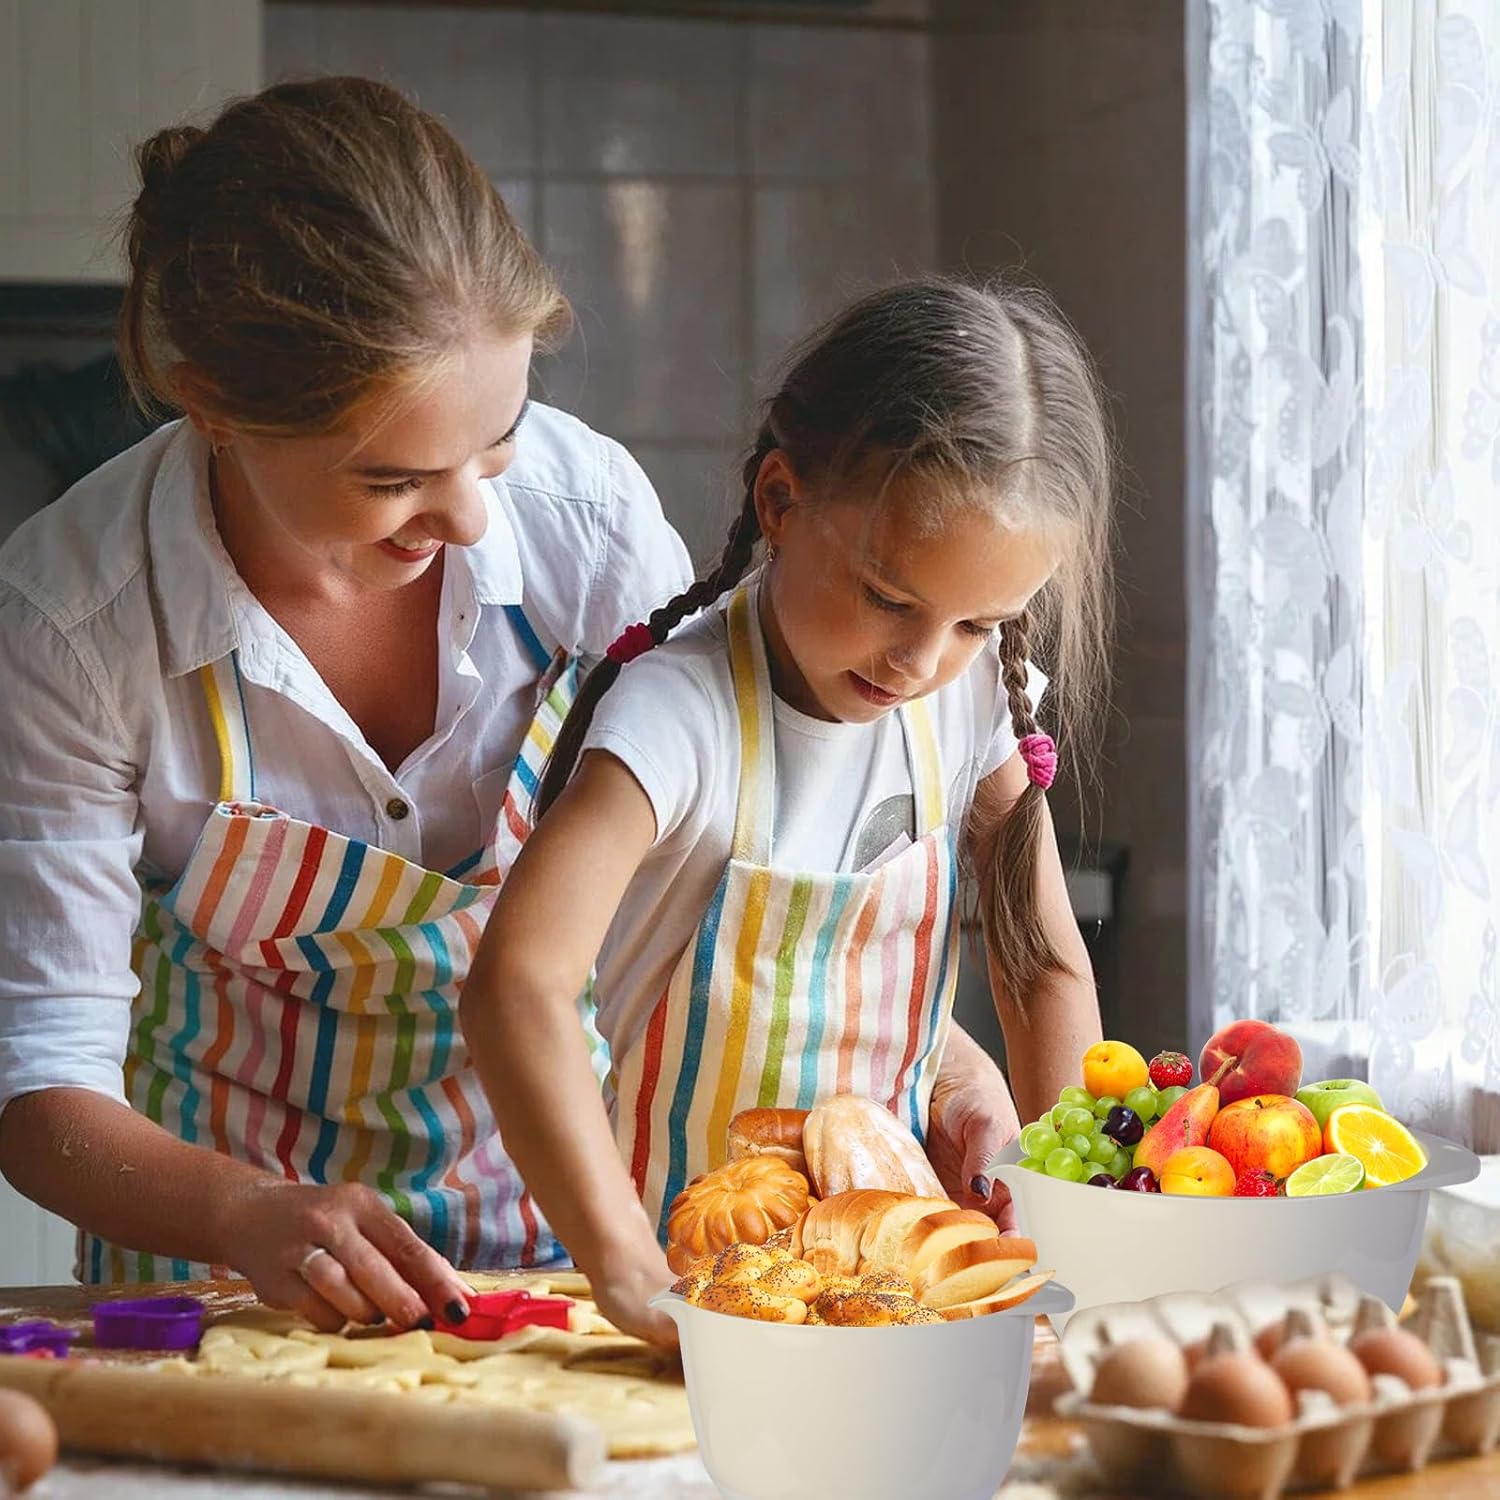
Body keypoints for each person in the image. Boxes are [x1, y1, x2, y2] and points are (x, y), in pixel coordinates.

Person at [0, 80, 1023, 1334]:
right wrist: (239, 1212)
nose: (473, 520)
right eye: (394, 479)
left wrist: (937, 1060)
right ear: (211, 401)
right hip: (231, 1279)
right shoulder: (72, 625)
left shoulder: (584, 522)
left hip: (575, 1245)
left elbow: (732, 868)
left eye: (494, 448)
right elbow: (43, 1089)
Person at [461, 277, 1114, 1343]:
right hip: (685, 1302)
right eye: (891, 601)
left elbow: (1041, 967)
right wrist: (627, 1273)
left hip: (885, 1295)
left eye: (976, 622)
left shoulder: (973, 697)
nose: (919, 662)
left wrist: (1068, 1226)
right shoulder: (680, 713)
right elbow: (517, 984)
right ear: (779, 500)